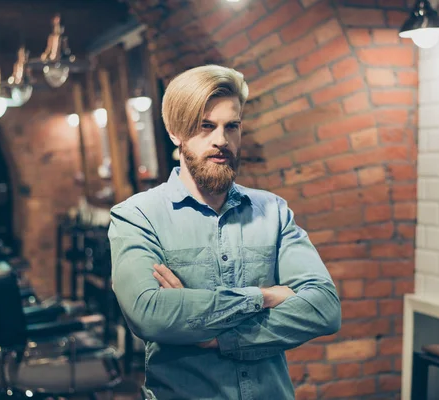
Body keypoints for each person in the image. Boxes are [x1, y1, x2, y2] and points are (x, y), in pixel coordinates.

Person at [108, 64, 341, 400]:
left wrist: (215, 336)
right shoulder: (138, 216)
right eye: (206, 127)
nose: (221, 140)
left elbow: (325, 308)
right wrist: (265, 296)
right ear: (176, 132)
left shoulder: (273, 211)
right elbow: (149, 313)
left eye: (231, 126)